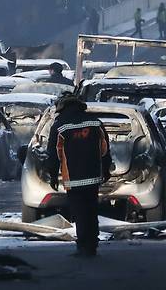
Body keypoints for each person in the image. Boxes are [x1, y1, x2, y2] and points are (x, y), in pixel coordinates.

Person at [47, 94, 111, 257]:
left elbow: (54, 153)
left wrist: (53, 175)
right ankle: (92, 243)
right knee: (91, 209)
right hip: (93, 175)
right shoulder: (95, 122)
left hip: (73, 177)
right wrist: (105, 169)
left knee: (79, 211)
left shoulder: (60, 125)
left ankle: (83, 245)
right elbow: (104, 148)